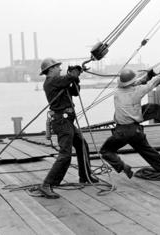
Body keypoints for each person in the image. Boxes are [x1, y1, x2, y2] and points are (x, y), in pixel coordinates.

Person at [38, 58, 98, 199]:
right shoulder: (51, 81)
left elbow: (74, 92)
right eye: (57, 67)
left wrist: (75, 78)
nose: (60, 69)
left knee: (82, 145)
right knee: (65, 154)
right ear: (51, 69)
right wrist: (74, 73)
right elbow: (67, 79)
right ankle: (46, 185)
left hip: (67, 121)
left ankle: (85, 176)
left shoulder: (59, 82)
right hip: (62, 121)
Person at [99, 68, 160, 178]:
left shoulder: (117, 92)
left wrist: (148, 75)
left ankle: (122, 166)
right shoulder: (138, 91)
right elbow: (153, 83)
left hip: (121, 132)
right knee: (148, 151)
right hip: (135, 131)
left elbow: (134, 83)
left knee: (106, 151)